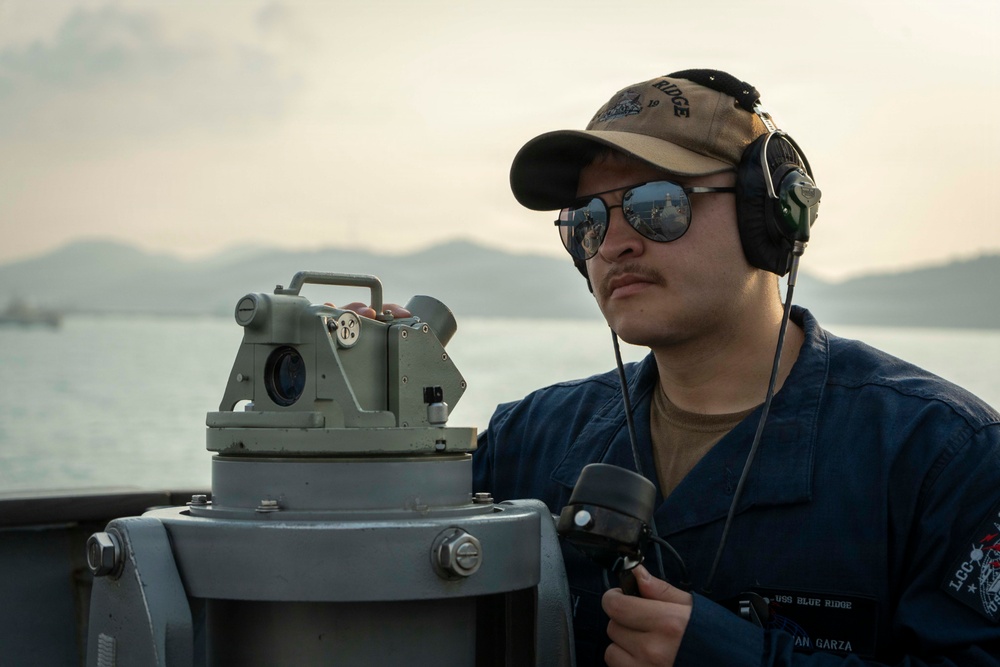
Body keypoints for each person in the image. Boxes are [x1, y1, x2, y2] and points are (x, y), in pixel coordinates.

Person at [471, 69, 1000, 666]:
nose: (614, 242)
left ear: (770, 214)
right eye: (589, 218)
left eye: (658, 204)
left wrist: (735, 656)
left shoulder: (940, 456)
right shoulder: (526, 441)